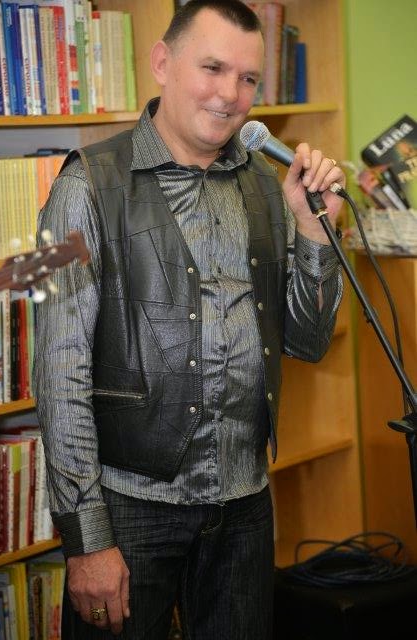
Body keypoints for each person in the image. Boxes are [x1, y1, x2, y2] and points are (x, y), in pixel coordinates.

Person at [34, 1, 346, 638]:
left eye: (248, 78)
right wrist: (88, 540)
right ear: (162, 63)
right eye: (213, 68)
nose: (231, 94)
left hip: (245, 503)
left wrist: (315, 233)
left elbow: (310, 342)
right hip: (130, 510)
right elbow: (59, 376)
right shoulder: (82, 186)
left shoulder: (267, 185)